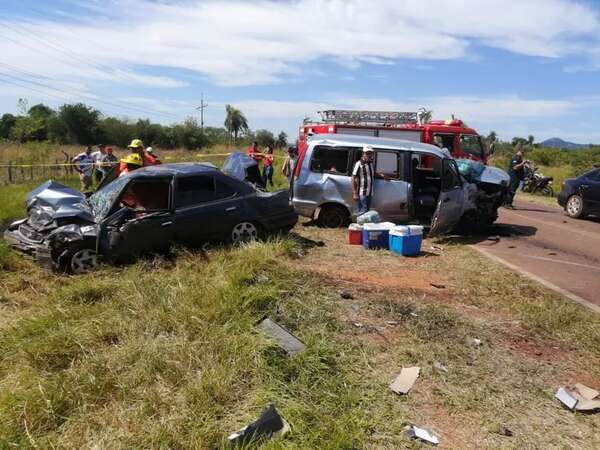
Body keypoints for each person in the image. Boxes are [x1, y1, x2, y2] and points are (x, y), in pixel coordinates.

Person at [352, 145, 376, 215]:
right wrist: (354, 193)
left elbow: (372, 173)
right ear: (363, 153)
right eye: (367, 153)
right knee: (363, 212)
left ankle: (364, 225)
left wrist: (382, 175)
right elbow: (353, 177)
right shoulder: (359, 163)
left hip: (370, 192)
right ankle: (360, 225)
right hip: (363, 192)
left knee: (367, 212)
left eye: (370, 153)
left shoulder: (370, 163)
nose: (369, 155)